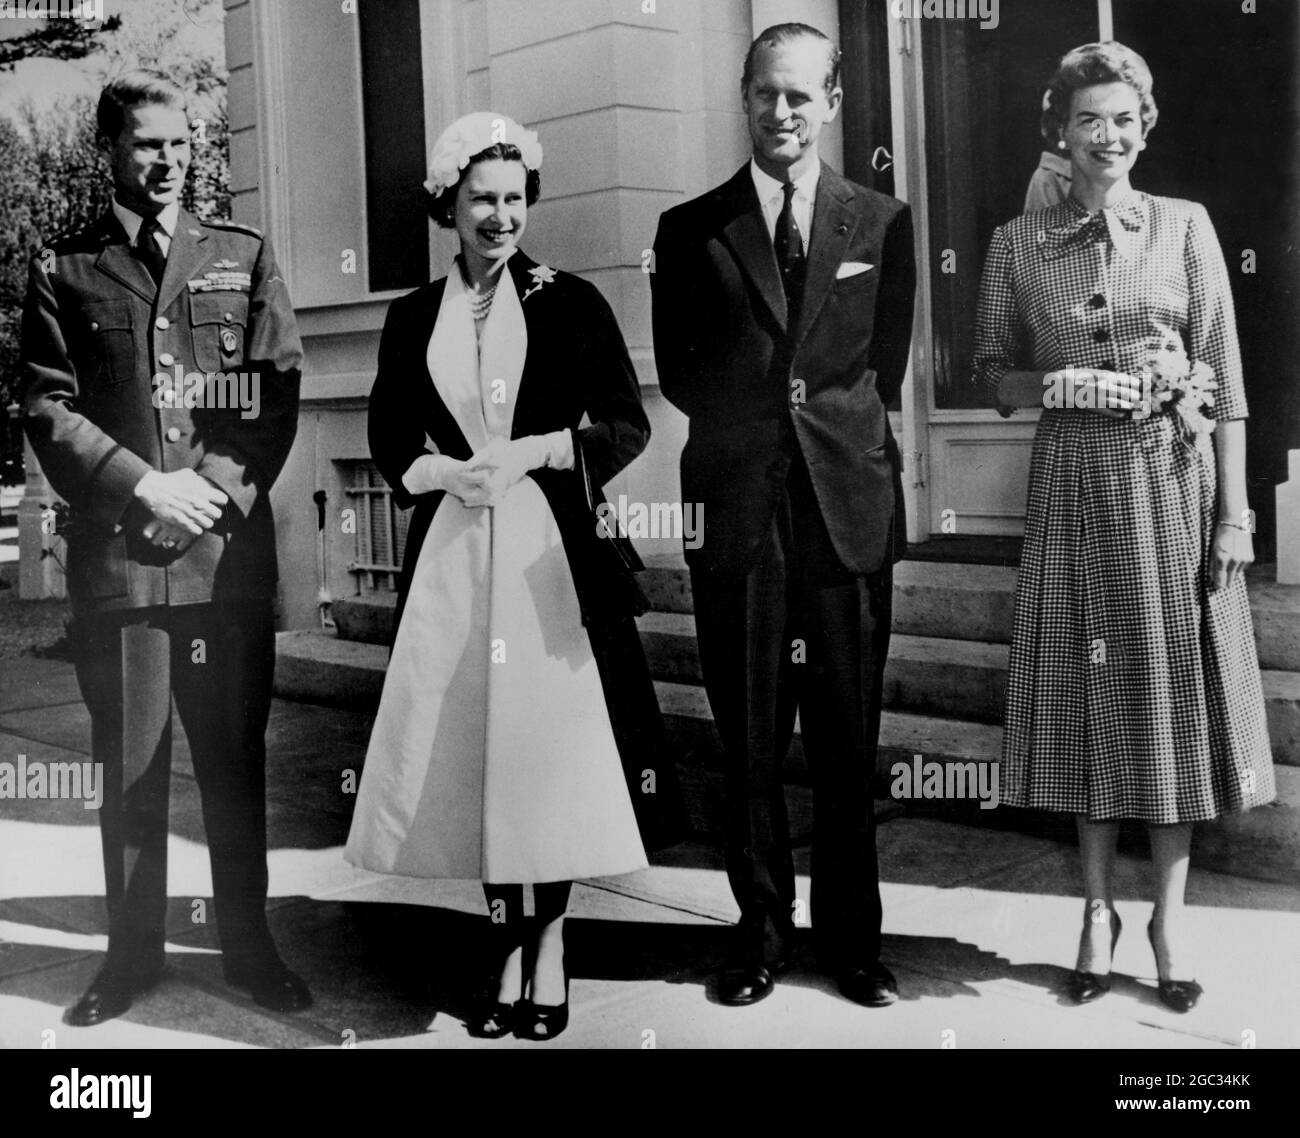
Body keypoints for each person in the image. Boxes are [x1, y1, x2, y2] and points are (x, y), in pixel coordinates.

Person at [344, 112, 679, 1042]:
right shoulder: (414, 314)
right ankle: (501, 944)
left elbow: (626, 423)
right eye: (481, 200)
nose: (501, 217)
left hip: (551, 560)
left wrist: (540, 448)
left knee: (549, 758)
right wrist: (436, 471)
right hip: (457, 557)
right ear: (447, 207)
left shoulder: (569, 301)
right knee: (481, 755)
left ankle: (551, 946)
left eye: (514, 199)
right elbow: (386, 432)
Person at [974, 42, 1275, 1013]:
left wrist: (1234, 517)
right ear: (1056, 133)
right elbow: (989, 374)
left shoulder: (1186, 227)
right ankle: (1096, 910)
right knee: (1085, 702)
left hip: (1171, 488)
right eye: (1085, 119)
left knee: (1167, 704)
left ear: (1143, 130)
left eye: (1121, 119)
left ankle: (1167, 920)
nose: (1105, 135)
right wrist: (1052, 381)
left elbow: (1224, 383)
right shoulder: (1016, 244)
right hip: (1072, 492)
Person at [21, 71, 309, 1025]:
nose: (169, 159)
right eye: (148, 143)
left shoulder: (241, 254)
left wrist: (207, 491)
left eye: (181, 142)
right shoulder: (66, 270)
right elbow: (47, 408)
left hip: (222, 564)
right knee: (131, 773)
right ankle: (130, 958)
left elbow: (273, 395)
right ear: (111, 149)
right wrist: (144, 485)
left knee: (232, 765)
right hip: (125, 572)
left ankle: (250, 948)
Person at [651, 23, 916, 1009]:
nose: (781, 112)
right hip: (739, 509)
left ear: (832, 102)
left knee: (848, 742)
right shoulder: (692, 229)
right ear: (744, 96)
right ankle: (758, 934)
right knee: (750, 740)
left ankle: (854, 943)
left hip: (844, 510)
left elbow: (880, 364)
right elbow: (681, 371)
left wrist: (825, 437)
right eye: (765, 93)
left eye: (800, 96)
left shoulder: (881, 222)